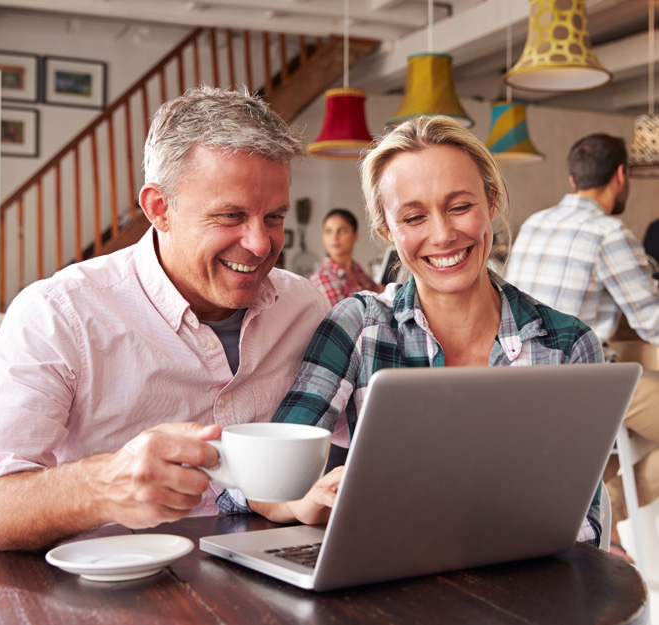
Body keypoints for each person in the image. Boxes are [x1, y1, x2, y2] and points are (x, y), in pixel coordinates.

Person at [0, 86, 330, 562]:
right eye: (231, 216)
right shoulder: (60, 314)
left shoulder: (305, 307)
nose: (259, 243)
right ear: (158, 209)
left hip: (272, 582)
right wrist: (103, 486)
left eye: (274, 217)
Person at [246, 115, 605, 547]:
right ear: (387, 229)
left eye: (459, 207)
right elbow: (268, 478)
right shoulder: (360, 325)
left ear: (490, 203)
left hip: (526, 586)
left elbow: (583, 524)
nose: (443, 235)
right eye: (414, 217)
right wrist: (301, 503)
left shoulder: (566, 345)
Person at [505, 133, 659, 559]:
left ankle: (595, 517)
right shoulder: (609, 232)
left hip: (516, 381)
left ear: (572, 178)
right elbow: (652, 321)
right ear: (621, 176)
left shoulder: (535, 222)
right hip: (582, 382)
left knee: (607, 442)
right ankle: (602, 518)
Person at [309, 208, 383, 305]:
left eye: (342, 231)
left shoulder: (357, 270)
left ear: (355, 235)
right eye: (328, 231)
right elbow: (343, 320)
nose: (334, 237)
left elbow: (378, 292)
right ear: (323, 237)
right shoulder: (320, 278)